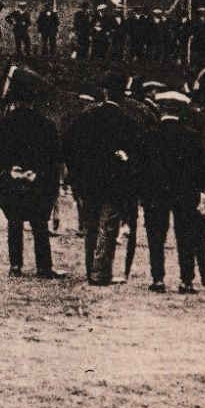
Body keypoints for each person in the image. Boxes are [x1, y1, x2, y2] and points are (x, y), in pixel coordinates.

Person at [63, 80, 141, 285]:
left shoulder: (86, 117)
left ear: (105, 92)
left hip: (88, 181)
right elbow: (136, 156)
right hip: (115, 183)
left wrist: (78, 172)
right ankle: (100, 273)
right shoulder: (128, 121)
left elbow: (68, 146)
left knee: (91, 225)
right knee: (108, 226)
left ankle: (91, 270)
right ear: (123, 95)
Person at [0, 75, 64, 278]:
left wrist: (8, 175)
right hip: (38, 181)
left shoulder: (2, 125)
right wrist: (39, 176)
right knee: (40, 225)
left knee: (14, 222)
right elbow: (54, 158)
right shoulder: (46, 125)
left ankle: (15, 265)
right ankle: (44, 267)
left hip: (11, 180)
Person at [135, 91, 205, 293]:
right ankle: (186, 281)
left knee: (155, 237)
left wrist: (141, 192)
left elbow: (139, 169)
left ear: (160, 110)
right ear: (180, 111)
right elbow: (203, 169)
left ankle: (158, 279)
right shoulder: (192, 137)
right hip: (185, 194)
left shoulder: (148, 136)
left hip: (155, 194)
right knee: (185, 237)